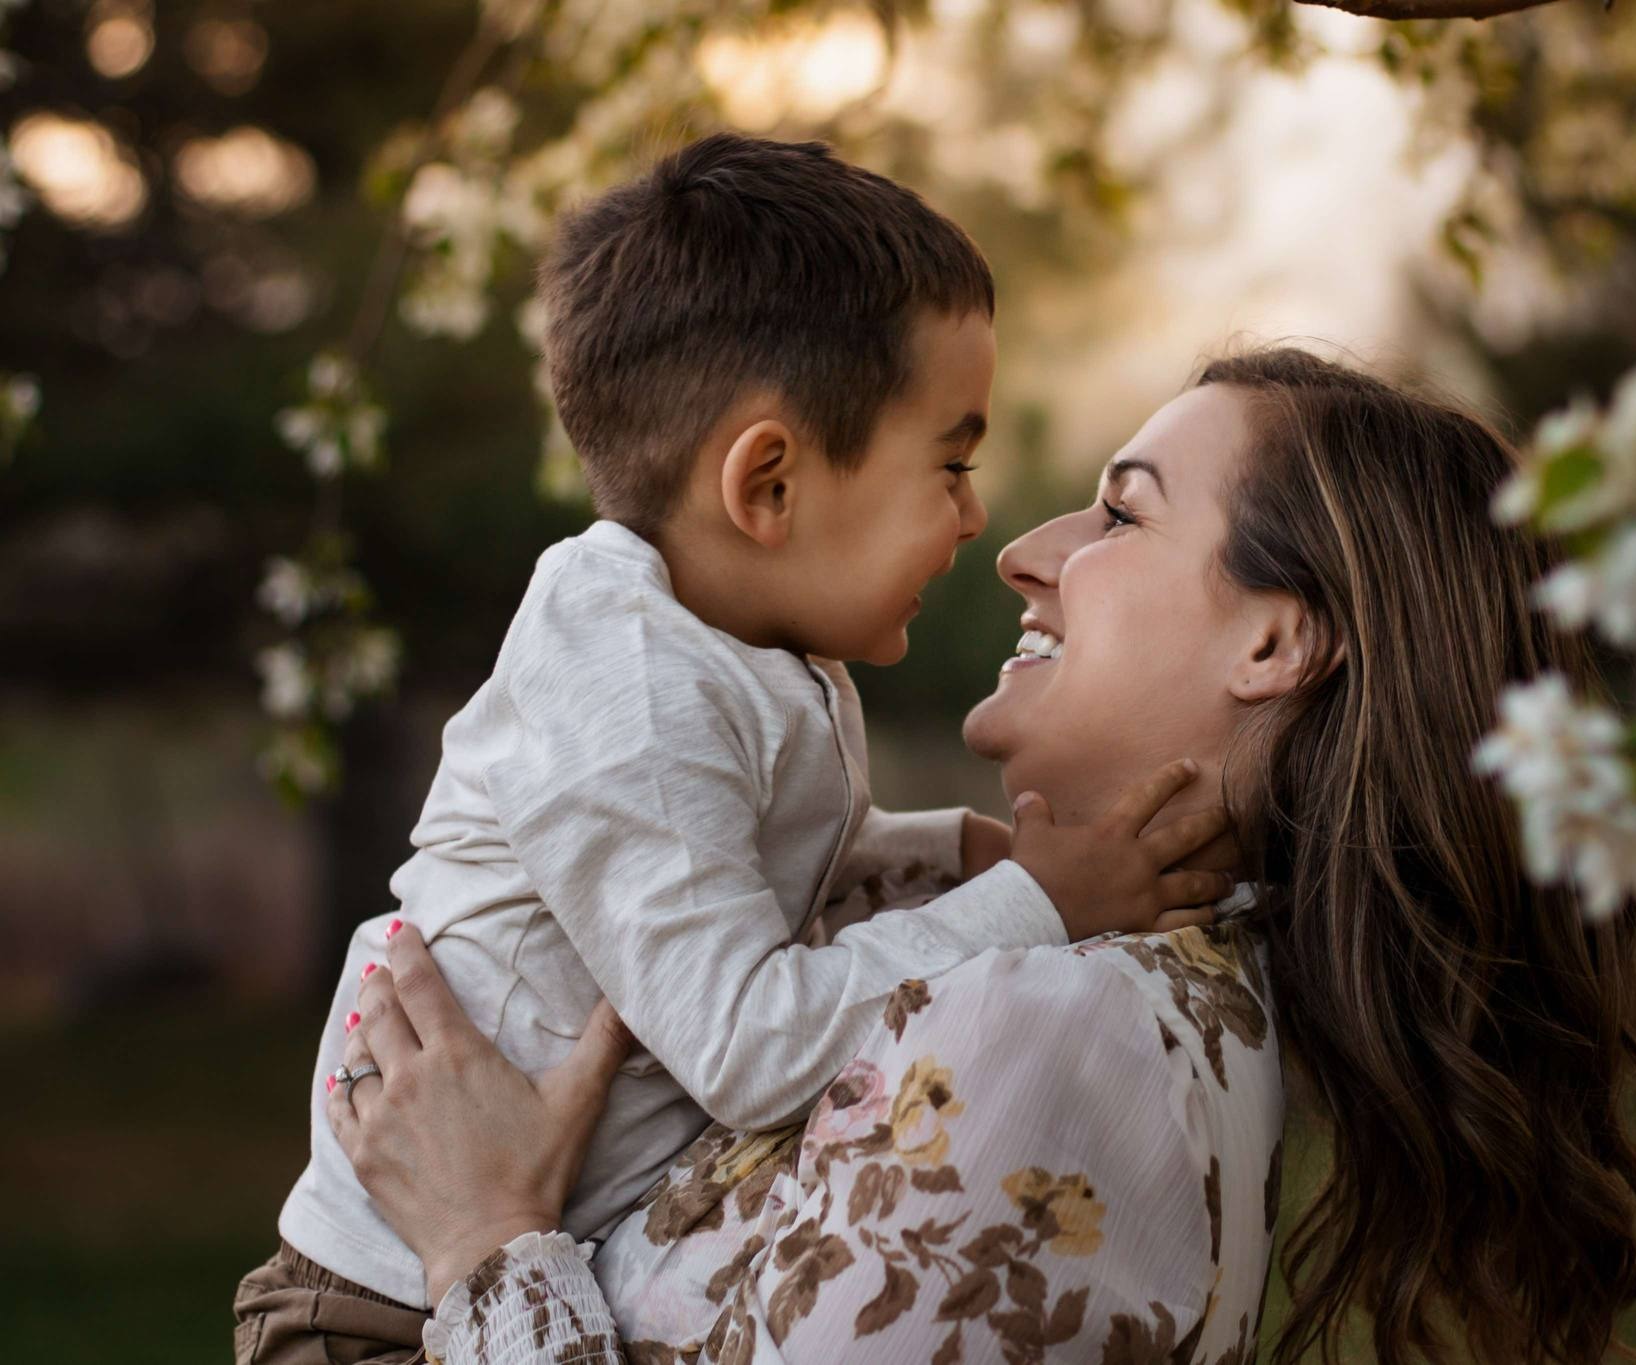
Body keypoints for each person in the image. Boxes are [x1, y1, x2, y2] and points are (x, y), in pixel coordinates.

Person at [322, 347, 1636, 1364]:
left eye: (1122, 514)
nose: (1020, 551)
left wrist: (485, 1247)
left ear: (1275, 641)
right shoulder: (1135, 982)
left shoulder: (1049, 1035)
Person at [235, 135, 1231, 1365]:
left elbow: (771, 858)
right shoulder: (631, 685)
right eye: (951, 464)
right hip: (373, 1318)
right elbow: (750, 1043)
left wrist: (954, 856)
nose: (978, 517)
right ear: (767, 485)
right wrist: (1035, 903)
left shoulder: (740, 645)